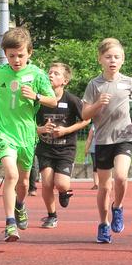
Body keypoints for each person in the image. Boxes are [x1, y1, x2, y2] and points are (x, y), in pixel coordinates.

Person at [0, 27, 56, 242]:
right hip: (3, 131)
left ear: (29, 53)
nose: (16, 60)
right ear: (5, 54)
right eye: (11, 55)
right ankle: (9, 224)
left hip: (26, 135)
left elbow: (52, 100)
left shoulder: (38, 75)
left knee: (23, 183)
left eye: (20, 55)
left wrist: (36, 96)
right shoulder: (1, 72)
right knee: (11, 175)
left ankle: (20, 206)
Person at [82, 38, 132, 244]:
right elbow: (84, 114)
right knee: (104, 187)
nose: (112, 61)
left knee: (121, 176)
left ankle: (118, 207)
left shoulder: (129, 82)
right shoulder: (94, 85)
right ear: (100, 59)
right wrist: (98, 104)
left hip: (124, 137)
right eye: (108, 57)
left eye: (117, 57)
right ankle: (103, 223)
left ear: (123, 60)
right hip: (103, 140)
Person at [35, 63, 90, 229]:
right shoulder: (40, 100)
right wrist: (41, 129)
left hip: (66, 148)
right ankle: (52, 216)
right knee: (46, 183)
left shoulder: (72, 100)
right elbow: (28, 123)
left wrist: (66, 130)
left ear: (65, 81)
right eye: (49, 73)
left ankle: (64, 192)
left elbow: (86, 119)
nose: (51, 75)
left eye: (56, 74)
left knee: (61, 184)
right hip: (45, 148)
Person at [83, 124, 99, 190]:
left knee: (106, 166)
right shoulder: (93, 126)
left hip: (105, 149)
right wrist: (86, 149)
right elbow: (89, 139)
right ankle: (96, 184)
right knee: (95, 166)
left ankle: (107, 183)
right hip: (94, 150)